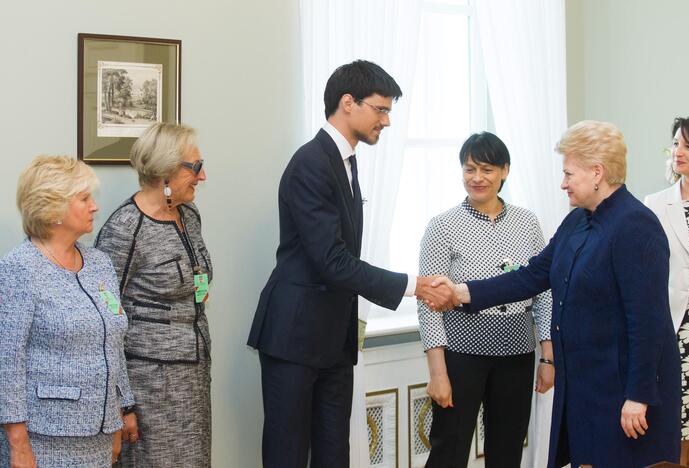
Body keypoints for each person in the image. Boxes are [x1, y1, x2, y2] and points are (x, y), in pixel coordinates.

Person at [433, 120, 681, 468]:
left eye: (568, 174)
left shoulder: (636, 225)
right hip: (584, 386)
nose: (562, 183)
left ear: (597, 172)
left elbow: (648, 320)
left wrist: (638, 396)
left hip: (620, 389)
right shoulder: (577, 221)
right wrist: (461, 292)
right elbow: (533, 275)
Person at [247, 60, 456, 468]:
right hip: (295, 338)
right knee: (287, 455)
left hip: (333, 342)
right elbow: (332, 261)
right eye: (381, 109)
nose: (387, 121)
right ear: (348, 103)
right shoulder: (310, 162)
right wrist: (415, 284)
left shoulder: (346, 160)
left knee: (334, 456)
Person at [419, 132, 554, 467]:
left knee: (507, 452)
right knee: (449, 451)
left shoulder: (527, 222)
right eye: (469, 169)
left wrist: (547, 358)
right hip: (461, 358)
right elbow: (429, 305)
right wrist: (438, 373)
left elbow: (544, 292)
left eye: (487, 169)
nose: (477, 178)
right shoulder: (443, 226)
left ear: (505, 171)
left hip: (517, 356)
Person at [0, 155, 135, 467]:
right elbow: (7, 361)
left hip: (99, 435)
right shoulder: (19, 268)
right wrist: (18, 443)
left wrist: (119, 412)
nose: (95, 206)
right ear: (52, 209)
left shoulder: (100, 264)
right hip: (42, 438)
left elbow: (114, 343)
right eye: (84, 198)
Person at [95, 122, 212, 467]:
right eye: (195, 168)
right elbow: (105, 319)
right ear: (165, 171)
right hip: (150, 387)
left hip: (193, 377)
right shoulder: (125, 229)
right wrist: (123, 404)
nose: (202, 177)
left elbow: (196, 281)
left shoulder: (188, 216)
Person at [645, 115, 689, 467]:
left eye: (688, 145)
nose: (678, 152)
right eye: (675, 143)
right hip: (676, 324)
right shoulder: (656, 203)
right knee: (678, 420)